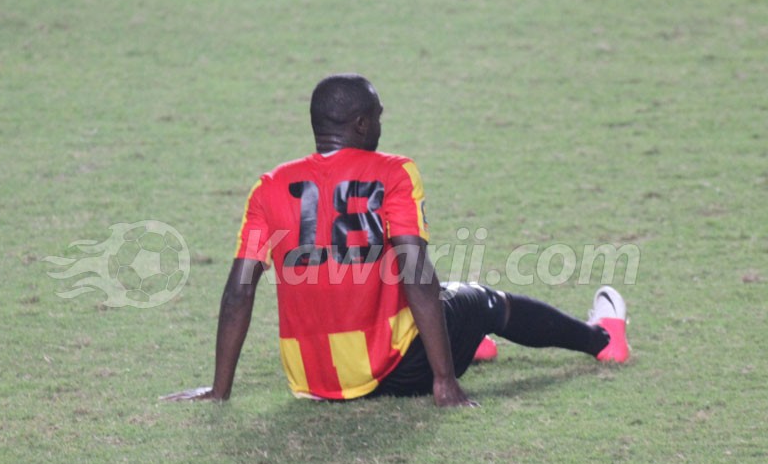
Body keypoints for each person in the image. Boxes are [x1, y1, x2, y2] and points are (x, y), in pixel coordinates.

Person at [163, 74, 629, 408]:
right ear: (363, 124)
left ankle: (465, 342)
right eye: (379, 115)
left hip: (315, 383)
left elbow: (237, 292)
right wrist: (443, 381)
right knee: (484, 300)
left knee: (444, 300)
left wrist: (219, 389)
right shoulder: (393, 171)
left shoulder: (269, 186)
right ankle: (603, 340)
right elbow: (417, 275)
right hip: (401, 372)